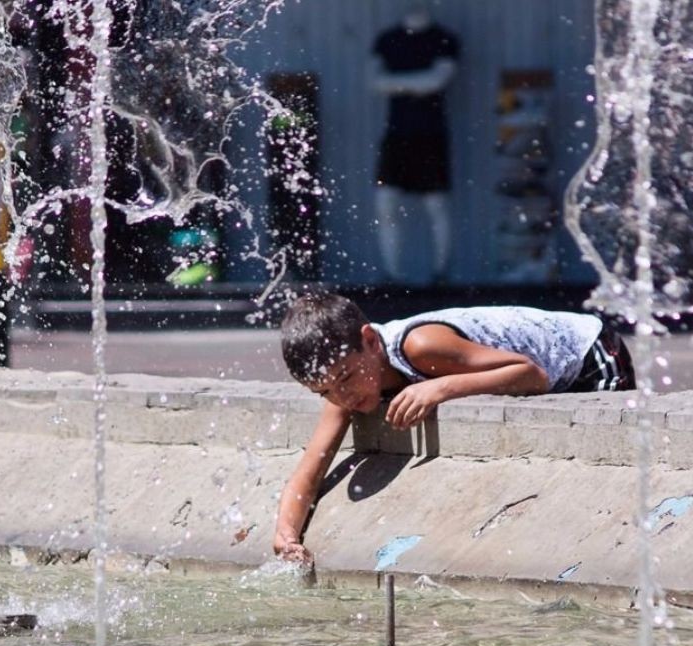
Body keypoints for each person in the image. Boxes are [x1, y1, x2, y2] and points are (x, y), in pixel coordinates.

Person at [272, 292, 635, 561]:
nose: (342, 396)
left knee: (620, 457)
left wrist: (440, 387)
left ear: (369, 341)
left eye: (346, 377)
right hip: (556, 366)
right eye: (324, 392)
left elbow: (531, 375)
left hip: (590, 353)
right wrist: (286, 535)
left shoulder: (420, 346)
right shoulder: (345, 389)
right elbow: (309, 472)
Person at [370, 2, 459, 283]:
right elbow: (374, 81)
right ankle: (392, 273)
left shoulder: (443, 39)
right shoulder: (387, 40)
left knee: (437, 205)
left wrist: (397, 83)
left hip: (431, 135)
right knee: (386, 203)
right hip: (396, 135)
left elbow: (437, 80)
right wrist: (416, 83)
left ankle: (441, 272)